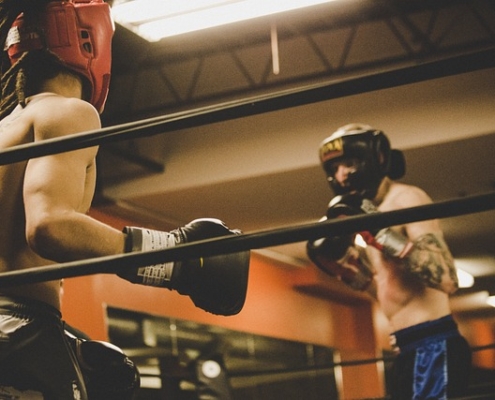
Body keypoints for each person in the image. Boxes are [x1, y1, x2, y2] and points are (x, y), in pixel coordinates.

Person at [0, 1, 250, 399]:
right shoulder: (70, 114)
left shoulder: (5, 129)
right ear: (91, 38)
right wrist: (172, 260)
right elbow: (49, 225)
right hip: (23, 330)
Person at [307, 123, 471, 399]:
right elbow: (387, 291)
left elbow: (447, 279)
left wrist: (385, 234)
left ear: (377, 159)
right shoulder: (364, 212)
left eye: (348, 163)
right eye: (333, 169)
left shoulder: (406, 198)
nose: (341, 175)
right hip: (405, 348)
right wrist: (347, 270)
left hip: (433, 343)